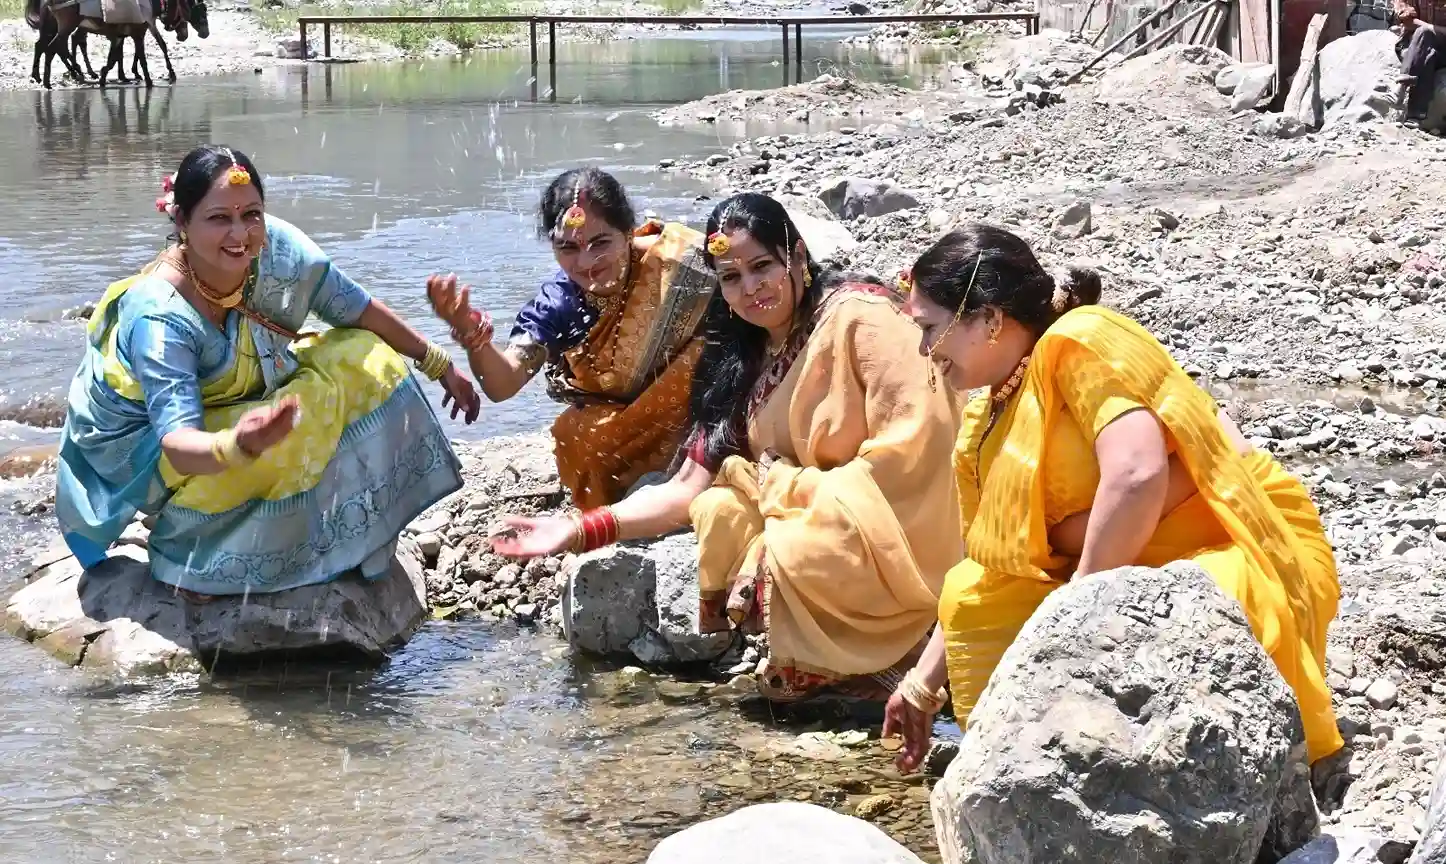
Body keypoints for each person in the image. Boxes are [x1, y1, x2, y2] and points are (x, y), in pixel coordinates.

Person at [881, 224, 1344, 772]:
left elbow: (1140, 473)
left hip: (1227, 539)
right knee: (971, 597)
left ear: (988, 319)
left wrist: (1074, 618)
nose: (924, 351)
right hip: (1115, 566)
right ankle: (1021, 777)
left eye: (930, 328)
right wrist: (920, 687)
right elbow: (986, 560)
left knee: (1193, 615)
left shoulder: (1078, 342)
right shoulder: (987, 417)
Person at [487, 193, 964, 701]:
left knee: (782, 541)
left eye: (762, 267)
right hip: (832, 521)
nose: (751, 288)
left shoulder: (860, 317)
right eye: (731, 278)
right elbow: (684, 488)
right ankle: (828, 666)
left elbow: (923, 444)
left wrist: (785, 488)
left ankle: (903, 651)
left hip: (906, 526)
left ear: (797, 257)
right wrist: (579, 529)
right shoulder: (743, 356)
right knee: (720, 507)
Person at [56, 144, 480, 600]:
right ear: (180, 221)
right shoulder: (160, 316)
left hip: (240, 409)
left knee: (368, 358)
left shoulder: (278, 251)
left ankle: (344, 531)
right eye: (219, 218)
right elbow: (177, 443)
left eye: (251, 214)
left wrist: (440, 364)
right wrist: (237, 444)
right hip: (146, 449)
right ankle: (196, 560)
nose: (240, 234)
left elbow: (357, 311)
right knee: (293, 432)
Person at [426, 168, 715, 510]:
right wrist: (473, 338)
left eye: (600, 243)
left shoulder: (681, 261)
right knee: (576, 436)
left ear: (627, 232)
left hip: (707, 409)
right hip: (620, 427)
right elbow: (503, 384)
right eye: (568, 248)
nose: (587, 263)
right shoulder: (560, 304)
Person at [1392, 0, 1443, 123]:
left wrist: (1430, 28)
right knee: (1429, 55)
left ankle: (1403, 82)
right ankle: (1416, 114)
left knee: (1424, 33)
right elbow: (1407, 21)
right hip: (1416, 45)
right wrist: (1428, 28)